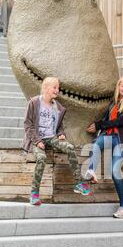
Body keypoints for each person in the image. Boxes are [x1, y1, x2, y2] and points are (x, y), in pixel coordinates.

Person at [23, 77, 91, 206]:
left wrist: (61, 134)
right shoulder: (34, 102)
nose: (57, 90)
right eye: (54, 87)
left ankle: (79, 183)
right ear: (45, 87)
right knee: (41, 158)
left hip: (51, 138)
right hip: (36, 139)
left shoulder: (57, 107)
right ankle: (34, 193)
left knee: (70, 147)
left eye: (58, 88)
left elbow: (59, 125)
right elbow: (27, 124)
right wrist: (37, 141)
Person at [86, 76, 123, 219]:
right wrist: (97, 125)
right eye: (122, 86)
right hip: (110, 136)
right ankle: (91, 171)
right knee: (97, 144)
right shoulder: (113, 103)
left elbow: (122, 121)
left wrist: (100, 125)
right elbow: (106, 119)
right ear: (118, 87)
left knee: (115, 171)